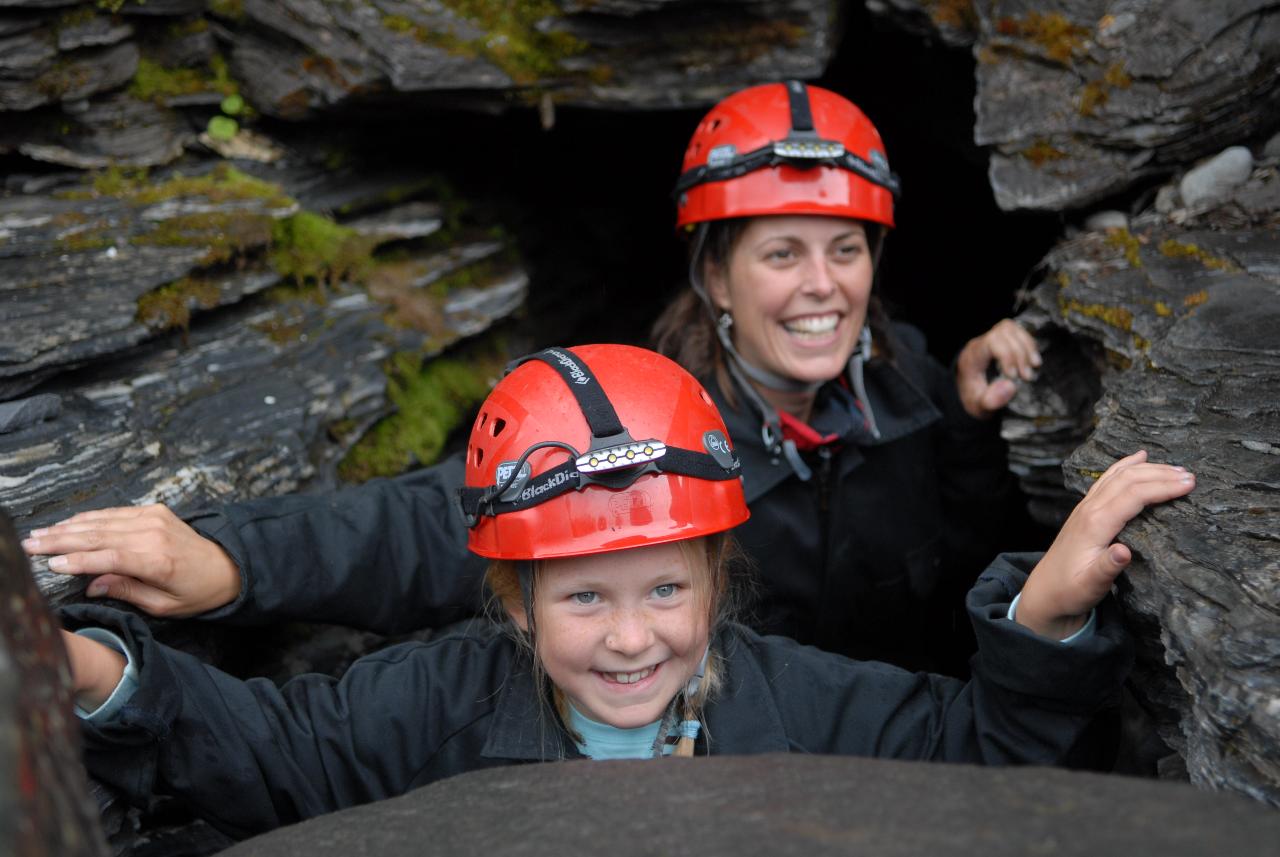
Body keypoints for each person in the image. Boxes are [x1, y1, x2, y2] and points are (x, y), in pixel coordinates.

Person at [31, 82, 1037, 672]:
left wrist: (963, 410)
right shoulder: (642, 419)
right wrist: (229, 559)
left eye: (844, 249)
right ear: (715, 276)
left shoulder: (912, 397)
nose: (821, 286)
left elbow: (965, 567)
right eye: (781, 253)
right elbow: (436, 522)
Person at [61, 345, 1193, 841]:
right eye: (582, 599)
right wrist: (88, 669)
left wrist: (1041, 612)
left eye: (662, 585)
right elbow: (272, 749)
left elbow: (982, 757)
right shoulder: (436, 702)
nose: (631, 639)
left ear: (716, 576)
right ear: (511, 604)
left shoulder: (800, 699)